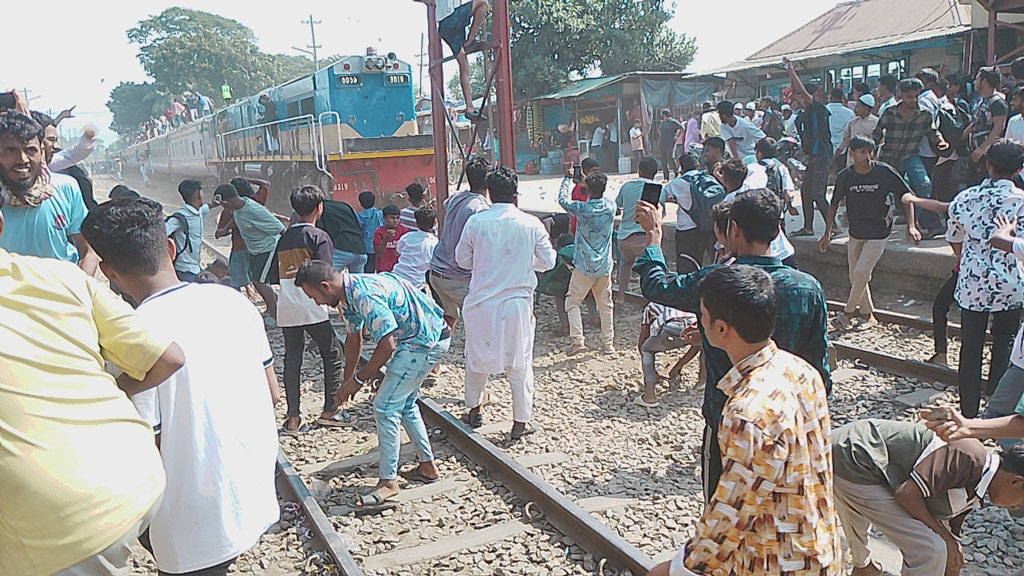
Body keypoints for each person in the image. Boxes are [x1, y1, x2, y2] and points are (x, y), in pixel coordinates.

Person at [81, 197, 280, 576]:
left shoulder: (132, 338)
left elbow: (143, 448)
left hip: (190, 524)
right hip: (250, 494)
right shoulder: (233, 301)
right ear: (170, 248)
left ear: (107, 271)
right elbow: (272, 394)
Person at [0, 186, 184, 576]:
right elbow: (169, 357)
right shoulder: (60, 274)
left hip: (60, 520)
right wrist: (117, 390)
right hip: (136, 468)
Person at [634, 189, 831, 499]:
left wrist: (654, 237)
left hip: (728, 421)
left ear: (733, 229)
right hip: (788, 424)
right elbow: (820, 369)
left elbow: (657, 286)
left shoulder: (718, 283)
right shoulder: (808, 288)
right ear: (777, 230)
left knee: (724, 507)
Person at [646, 265, 840, 576]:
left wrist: (677, 568)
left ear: (720, 329)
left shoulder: (747, 412)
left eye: (702, 314)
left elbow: (731, 512)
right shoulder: (802, 372)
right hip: (817, 548)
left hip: (774, 564)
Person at [296, 261, 451, 508]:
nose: (317, 303)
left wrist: (359, 380)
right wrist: (346, 382)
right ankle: (427, 466)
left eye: (314, 296)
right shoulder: (347, 296)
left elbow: (386, 345)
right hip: (425, 337)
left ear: (325, 286)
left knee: (385, 406)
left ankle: (388, 482)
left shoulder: (364, 295)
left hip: (423, 343)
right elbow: (354, 339)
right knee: (405, 404)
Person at [832, 419, 1024, 576]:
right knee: (931, 549)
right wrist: (946, 540)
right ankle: (863, 568)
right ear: (1016, 482)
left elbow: (952, 547)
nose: (1019, 507)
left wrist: (952, 554)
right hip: (854, 455)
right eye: (1023, 502)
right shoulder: (971, 456)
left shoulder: (977, 491)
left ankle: (863, 568)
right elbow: (906, 494)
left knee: (942, 546)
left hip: (849, 457)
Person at [455, 166, 556, 440]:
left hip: (481, 304)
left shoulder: (476, 222)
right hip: (516, 306)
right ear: (515, 193)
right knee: (520, 363)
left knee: (476, 359)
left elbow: (462, 260)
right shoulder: (531, 224)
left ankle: (474, 409)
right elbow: (549, 262)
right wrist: (525, 263)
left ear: (488, 192)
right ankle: (520, 423)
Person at [945, 139, 1024, 418]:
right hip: (1011, 285)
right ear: (1019, 169)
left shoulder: (964, 199)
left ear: (987, 164)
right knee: (1004, 342)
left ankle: (967, 411)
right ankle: (996, 408)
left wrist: (969, 260)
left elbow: (955, 240)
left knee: (971, 346)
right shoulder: (1021, 202)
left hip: (972, 285)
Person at [272, 185, 349, 433]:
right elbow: (324, 274)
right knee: (333, 354)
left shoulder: (283, 238)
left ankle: (293, 417)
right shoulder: (319, 237)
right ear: (319, 207)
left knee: (292, 358)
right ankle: (330, 410)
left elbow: (274, 275)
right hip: (312, 305)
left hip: (287, 306)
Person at [820, 137, 916, 326]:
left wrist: (911, 225)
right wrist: (827, 233)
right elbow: (834, 204)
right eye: (862, 152)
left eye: (870, 152)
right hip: (856, 231)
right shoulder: (845, 176)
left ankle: (847, 314)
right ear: (852, 153)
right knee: (855, 276)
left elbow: (906, 196)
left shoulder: (884, 172)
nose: (867, 156)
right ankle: (868, 315)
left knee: (862, 272)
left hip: (879, 231)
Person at [0, 110, 97, 274]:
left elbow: (88, 250)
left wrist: (79, 290)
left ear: (42, 151)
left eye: (30, 150)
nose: (23, 159)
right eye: (10, 151)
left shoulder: (67, 188)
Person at [872, 78, 948, 239]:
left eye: (916, 96)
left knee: (924, 185)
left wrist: (941, 142)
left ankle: (912, 222)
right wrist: (871, 152)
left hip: (910, 156)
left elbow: (932, 131)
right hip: (889, 158)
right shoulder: (889, 112)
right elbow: (877, 134)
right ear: (901, 95)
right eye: (909, 97)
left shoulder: (924, 114)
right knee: (881, 192)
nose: (913, 100)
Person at [429, 156, 491, 329]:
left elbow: (445, 203)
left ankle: (439, 351)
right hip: (456, 278)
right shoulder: (480, 209)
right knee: (483, 320)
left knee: (449, 316)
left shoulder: (457, 197)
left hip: (436, 272)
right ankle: (480, 354)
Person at [558, 169, 616, 355]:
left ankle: (578, 341)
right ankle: (608, 344)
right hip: (604, 265)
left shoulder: (581, 208)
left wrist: (567, 179)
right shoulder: (610, 207)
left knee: (573, 302)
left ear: (587, 189)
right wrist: (588, 183)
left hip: (584, 265)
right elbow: (598, 194)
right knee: (605, 305)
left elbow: (562, 201)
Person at [216, 182, 285, 324]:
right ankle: (274, 308)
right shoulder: (237, 207)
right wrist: (224, 230)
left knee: (259, 281)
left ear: (228, 202)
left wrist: (289, 247)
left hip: (268, 247)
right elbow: (236, 217)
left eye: (223, 205)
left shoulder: (253, 209)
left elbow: (279, 227)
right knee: (258, 280)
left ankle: (275, 315)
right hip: (255, 249)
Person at [786, 59, 834, 237]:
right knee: (806, 191)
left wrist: (792, 72)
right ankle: (808, 227)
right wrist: (790, 73)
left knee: (817, 193)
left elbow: (802, 93)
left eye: (804, 97)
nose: (800, 99)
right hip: (813, 155)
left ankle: (833, 226)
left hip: (822, 154)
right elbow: (795, 92)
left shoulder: (819, 109)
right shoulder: (805, 111)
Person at [433, 0, 489, 122]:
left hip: (445, 27)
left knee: (464, 64)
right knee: (483, 3)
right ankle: (471, 38)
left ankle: (470, 107)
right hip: (451, 18)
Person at [635, 302, 699, 408]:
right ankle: (701, 382)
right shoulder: (686, 299)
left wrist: (651, 372)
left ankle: (650, 396)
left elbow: (642, 341)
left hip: (671, 330)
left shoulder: (651, 306)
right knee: (700, 344)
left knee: (646, 349)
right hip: (692, 327)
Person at [614, 156, 658, 304]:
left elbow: (618, 204)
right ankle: (649, 298)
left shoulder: (626, 186)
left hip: (624, 236)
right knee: (648, 267)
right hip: (643, 236)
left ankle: (621, 295)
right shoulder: (657, 189)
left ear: (639, 171)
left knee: (625, 264)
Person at [662, 152, 715, 270]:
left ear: (681, 168)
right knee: (701, 262)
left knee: (685, 265)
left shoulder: (676, 183)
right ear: (697, 166)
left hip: (685, 229)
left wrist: (676, 200)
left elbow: (664, 195)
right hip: (705, 228)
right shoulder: (708, 179)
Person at [216, 178, 270, 292]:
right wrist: (246, 179)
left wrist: (225, 230)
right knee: (259, 280)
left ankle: (238, 300)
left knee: (234, 280)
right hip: (258, 247)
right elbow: (265, 184)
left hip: (239, 248)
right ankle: (271, 304)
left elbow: (219, 232)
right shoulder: (256, 201)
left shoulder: (228, 210)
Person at [166, 179, 220, 282]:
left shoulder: (197, 211)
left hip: (195, 267)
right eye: (201, 192)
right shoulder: (180, 218)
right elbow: (162, 233)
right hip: (184, 270)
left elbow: (205, 208)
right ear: (198, 195)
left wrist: (213, 204)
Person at [965, 66, 1009, 186]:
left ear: (984, 81)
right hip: (975, 154)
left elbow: (999, 126)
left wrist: (982, 149)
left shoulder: (997, 102)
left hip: (987, 156)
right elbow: (976, 123)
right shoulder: (981, 101)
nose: (974, 82)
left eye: (976, 79)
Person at [393, 207, 439, 289]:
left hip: (396, 276)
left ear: (416, 224)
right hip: (416, 283)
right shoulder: (435, 243)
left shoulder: (407, 237)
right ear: (435, 223)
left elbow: (397, 252)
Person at [319, 198, 369, 273]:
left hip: (341, 249)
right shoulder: (344, 206)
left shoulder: (320, 210)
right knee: (356, 282)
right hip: (361, 250)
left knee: (327, 278)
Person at [837, 94, 879, 167]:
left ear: (865, 108)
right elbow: (845, 142)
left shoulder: (876, 123)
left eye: (858, 106)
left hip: (868, 163)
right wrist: (835, 155)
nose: (855, 109)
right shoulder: (852, 123)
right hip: (852, 162)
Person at [373, 204, 408, 273]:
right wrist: (386, 239)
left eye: (397, 218)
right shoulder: (379, 232)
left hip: (399, 269)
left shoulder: (404, 231)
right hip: (384, 269)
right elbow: (379, 254)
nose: (395, 221)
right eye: (392, 218)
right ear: (385, 218)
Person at [357, 190, 385, 272]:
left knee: (369, 270)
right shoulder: (381, 214)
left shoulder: (359, 216)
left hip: (367, 248)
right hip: (381, 246)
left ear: (361, 203)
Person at [657, 109, 682, 181]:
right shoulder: (662, 123)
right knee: (663, 159)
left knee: (670, 157)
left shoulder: (673, 122)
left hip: (670, 143)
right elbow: (659, 130)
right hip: (662, 143)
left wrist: (676, 136)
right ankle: (666, 177)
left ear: (664, 115)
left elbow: (681, 128)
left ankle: (676, 172)